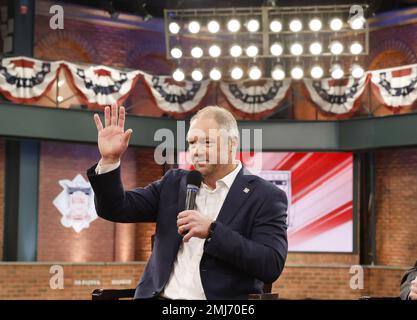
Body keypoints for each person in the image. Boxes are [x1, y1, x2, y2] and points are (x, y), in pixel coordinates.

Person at [87, 105, 288, 299]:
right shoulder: (174, 183)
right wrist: (110, 161)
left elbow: (270, 264)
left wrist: (213, 231)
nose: (197, 151)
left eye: (207, 142)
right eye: (192, 142)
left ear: (232, 143)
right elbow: (116, 209)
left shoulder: (265, 196)